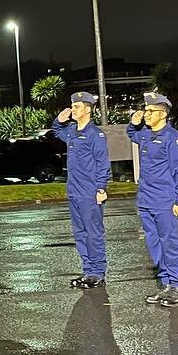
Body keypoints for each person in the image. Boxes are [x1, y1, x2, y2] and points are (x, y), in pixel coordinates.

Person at [128, 92, 178, 306]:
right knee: (154, 243)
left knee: (170, 243)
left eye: (150, 111)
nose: (146, 114)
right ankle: (165, 283)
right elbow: (132, 134)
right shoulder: (146, 135)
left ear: (163, 114)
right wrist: (133, 123)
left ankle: (177, 285)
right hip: (146, 200)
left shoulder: (173, 138)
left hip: (165, 200)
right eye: (146, 111)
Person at [53, 92, 111, 288]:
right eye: (72, 106)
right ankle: (87, 271)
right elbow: (56, 131)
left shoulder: (95, 134)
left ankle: (97, 272)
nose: (72, 109)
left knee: (93, 233)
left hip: (89, 192)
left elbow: (102, 163)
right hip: (74, 191)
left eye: (76, 107)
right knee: (80, 234)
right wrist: (59, 120)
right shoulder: (71, 131)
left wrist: (101, 187)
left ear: (87, 109)